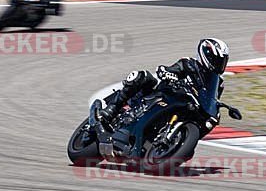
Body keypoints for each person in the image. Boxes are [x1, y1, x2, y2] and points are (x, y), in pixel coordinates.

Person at [97, 38, 229, 128]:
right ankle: (112, 108)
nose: (220, 65)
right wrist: (167, 73)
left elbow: (213, 100)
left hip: (187, 108)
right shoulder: (189, 64)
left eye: (222, 62)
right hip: (165, 95)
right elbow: (170, 69)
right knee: (142, 77)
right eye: (218, 60)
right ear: (207, 55)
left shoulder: (218, 83)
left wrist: (217, 110)